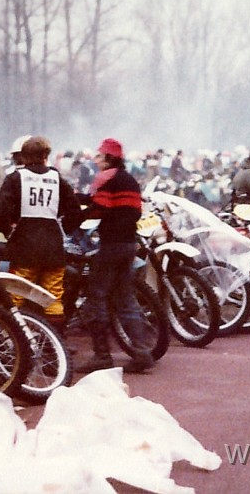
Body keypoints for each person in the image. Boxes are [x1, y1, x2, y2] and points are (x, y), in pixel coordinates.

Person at [74, 137, 155, 374]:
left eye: (99, 156)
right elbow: (134, 211)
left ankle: (102, 355)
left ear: (108, 158)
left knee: (96, 297)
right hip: (129, 244)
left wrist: (74, 216)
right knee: (126, 300)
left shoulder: (105, 178)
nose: (96, 160)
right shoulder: (130, 180)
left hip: (110, 245)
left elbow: (98, 208)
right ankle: (142, 352)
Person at [0, 136, 82, 332]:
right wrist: (63, 225)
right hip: (53, 245)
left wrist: (7, 230)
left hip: (24, 245)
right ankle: (56, 340)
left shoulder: (16, 178)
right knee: (53, 296)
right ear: (45, 156)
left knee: (17, 294)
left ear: (23, 156)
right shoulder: (57, 178)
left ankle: (14, 338)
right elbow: (75, 210)